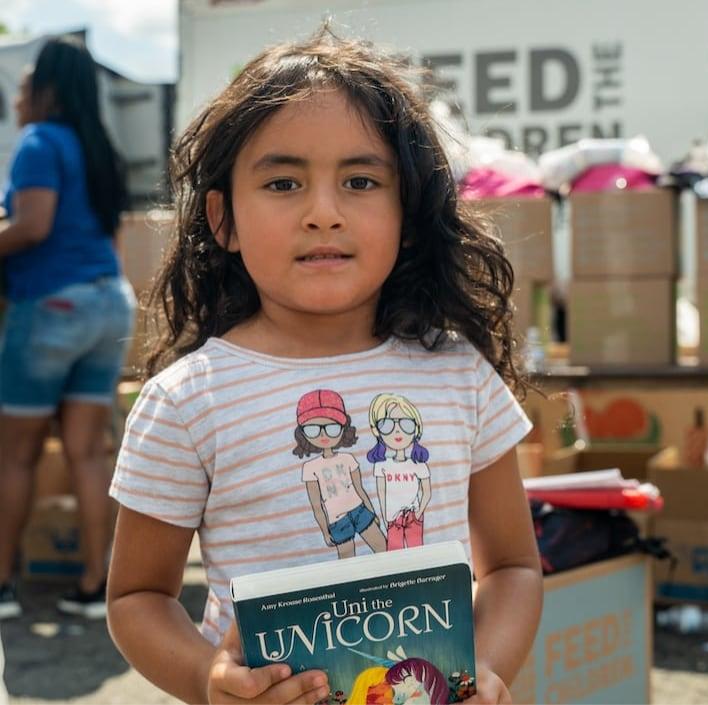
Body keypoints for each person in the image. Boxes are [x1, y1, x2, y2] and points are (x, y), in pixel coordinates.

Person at [106, 26, 542, 705]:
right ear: (222, 219)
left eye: (361, 180)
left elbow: (514, 566)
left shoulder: (461, 376)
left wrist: (490, 668)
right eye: (283, 182)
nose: (323, 214)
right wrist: (208, 678)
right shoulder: (186, 401)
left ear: (408, 210)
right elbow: (137, 595)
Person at [0, 37, 134, 620]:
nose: (18, 93)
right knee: (86, 452)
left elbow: (31, 226)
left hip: (52, 307)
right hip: (110, 304)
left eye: (26, 82)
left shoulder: (38, 143)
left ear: (45, 90)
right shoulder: (100, 148)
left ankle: (2, 585)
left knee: (15, 457)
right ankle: (94, 585)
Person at [295, 388, 386, 558]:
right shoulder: (310, 468)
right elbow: (317, 505)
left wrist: (371, 512)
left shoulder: (347, 458)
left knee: (383, 548)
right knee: (347, 565)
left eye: (332, 428)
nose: (323, 434)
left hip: (359, 510)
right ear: (302, 433)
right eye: (313, 429)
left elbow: (360, 489)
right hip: (337, 520)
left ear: (343, 428)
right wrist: (324, 530)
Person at [367, 392, 432, 550]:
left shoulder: (419, 465)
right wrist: (386, 516)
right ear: (377, 430)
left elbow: (427, 492)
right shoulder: (382, 465)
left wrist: (418, 512)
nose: (397, 431)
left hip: (413, 515)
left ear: (416, 429)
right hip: (393, 518)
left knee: (417, 553)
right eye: (387, 425)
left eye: (406, 424)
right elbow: (381, 493)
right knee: (394, 557)